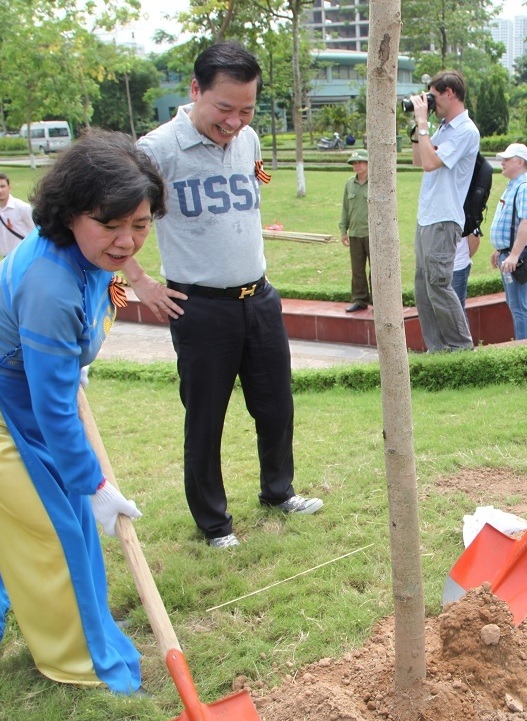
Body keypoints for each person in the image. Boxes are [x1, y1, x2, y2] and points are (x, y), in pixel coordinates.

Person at [0, 129, 162, 693]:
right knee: (50, 527)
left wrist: (76, 351)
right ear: (70, 214)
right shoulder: (50, 283)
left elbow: (104, 295)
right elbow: (54, 407)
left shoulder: (91, 257)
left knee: (69, 521)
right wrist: (96, 484)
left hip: (25, 387)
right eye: (109, 224)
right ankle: (76, 659)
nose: (127, 241)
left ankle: (86, 625)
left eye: (141, 223)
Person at [130, 41, 322, 550]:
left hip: (259, 298)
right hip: (199, 307)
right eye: (224, 108)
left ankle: (278, 492)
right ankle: (215, 524)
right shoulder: (155, 151)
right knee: (206, 418)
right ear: (195, 91)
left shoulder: (250, 140)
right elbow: (111, 219)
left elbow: (253, 188)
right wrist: (141, 281)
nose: (234, 121)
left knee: (277, 405)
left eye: (246, 109)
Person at [408, 69, 478, 352]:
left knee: (438, 285)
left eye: (433, 97)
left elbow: (430, 163)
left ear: (450, 93)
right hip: (427, 218)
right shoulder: (443, 129)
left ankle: (462, 348)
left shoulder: (465, 130)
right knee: (423, 290)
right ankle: (437, 351)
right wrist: (418, 128)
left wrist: (424, 124)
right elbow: (417, 159)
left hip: (444, 219)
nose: (430, 102)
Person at [487, 143, 527, 341]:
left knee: (519, 306)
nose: (502, 162)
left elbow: (526, 223)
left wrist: (514, 255)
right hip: (509, 253)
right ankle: (522, 345)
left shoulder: (525, 188)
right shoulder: (516, 187)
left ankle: (524, 348)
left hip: (518, 256)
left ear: (519, 162)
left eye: (507, 159)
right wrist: (500, 250)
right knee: (515, 303)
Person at [339, 149, 372, 312]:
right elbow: (345, 208)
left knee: (376, 270)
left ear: (367, 163)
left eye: (360, 162)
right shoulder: (349, 183)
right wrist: (343, 230)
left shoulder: (376, 182)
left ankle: (379, 302)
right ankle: (360, 300)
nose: (357, 165)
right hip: (355, 233)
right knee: (357, 270)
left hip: (372, 234)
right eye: (354, 163)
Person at [0, 172, 36, 266]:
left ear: (9, 187)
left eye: (2, 186)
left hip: (26, 256)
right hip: (7, 258)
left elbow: (35, 230)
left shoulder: (22, 207)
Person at [451, 232, 480, 310]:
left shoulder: (467, 219)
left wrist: (463, 258)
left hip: (458, 267)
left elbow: (475, 238)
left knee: (456, 309)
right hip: (437, 268)